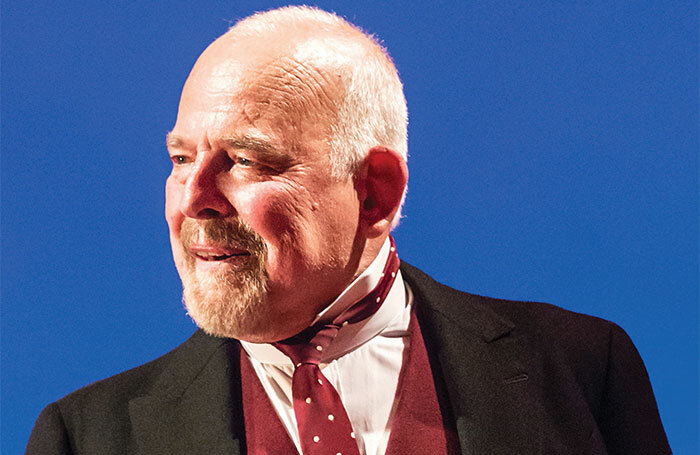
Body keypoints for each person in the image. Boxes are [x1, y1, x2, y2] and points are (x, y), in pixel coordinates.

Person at [26, 6, 670, 455]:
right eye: (181, 160)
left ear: (375, 192)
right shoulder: (84, 437)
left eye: (245, 161)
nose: (193, 201)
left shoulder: (584, 371)